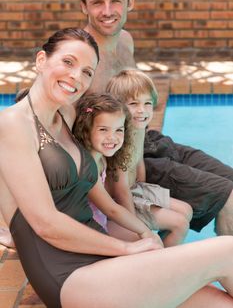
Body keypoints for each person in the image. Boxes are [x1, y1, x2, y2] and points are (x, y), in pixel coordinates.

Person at [1, 27, 233, 308]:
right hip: (68, 275)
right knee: (228, 251)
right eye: (68, 62)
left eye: (88, 71)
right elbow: (46, 223)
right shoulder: (13, 123)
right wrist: (128, 247)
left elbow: (109, 143)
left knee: (220, 303)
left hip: (103, 261)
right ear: (41, 60)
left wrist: (143, 237)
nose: (77, 77)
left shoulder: (67, 112)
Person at [79, 0, 233, 235]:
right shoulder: (82, 61)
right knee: (228, 196)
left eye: (116, 1)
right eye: (97, 3)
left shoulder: (125, 40)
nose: (107, 11)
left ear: (131, 3)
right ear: (84, 7)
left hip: (147, 142)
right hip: (124, 159)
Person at [106, 68, 193, 247]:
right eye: (133, 104)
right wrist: (135, 226)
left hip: (136, 189)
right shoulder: (119, 138)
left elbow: (138, 161)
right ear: (118, 106)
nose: (142, 111)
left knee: (186, 210)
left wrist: (145, 190)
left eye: (147, 103)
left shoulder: (138, 129)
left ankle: (164, 246)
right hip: (121, 200)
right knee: (180, 224)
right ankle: (163, 265)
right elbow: (119, 189)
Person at [73, 92, 133, 232]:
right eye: (103, 130)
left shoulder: (102, 158)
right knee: (148, 242)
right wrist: (144, 231)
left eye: (119, 130)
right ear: (86, 130)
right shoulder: (88, 165)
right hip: (89, 232)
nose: (112, 137)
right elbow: (111, 210)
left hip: (101, 224)